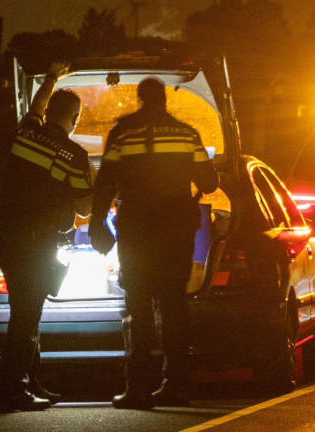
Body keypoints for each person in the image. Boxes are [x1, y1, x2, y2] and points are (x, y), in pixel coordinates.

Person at [89, 77, 219, 409]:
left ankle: (137, 389)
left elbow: (105, 182)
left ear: (140, 99)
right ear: (164, 100)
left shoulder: (122, 133)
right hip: (176, 232)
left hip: (136, 232)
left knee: (138, 308)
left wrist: (96, 225)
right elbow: (208, 180)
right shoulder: (187, 134)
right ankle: (176, 385)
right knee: (174, 306)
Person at [0, 61, 94, 413]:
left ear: (50, 112)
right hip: (35, 242)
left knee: (25, 309)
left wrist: (51, 78)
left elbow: (35, 107)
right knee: (26, 315)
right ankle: (10, 392)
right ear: (76, 118)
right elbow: (85, 209)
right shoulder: (76, 156)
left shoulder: (26, 131)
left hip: (5, 235)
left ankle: (29, 382)